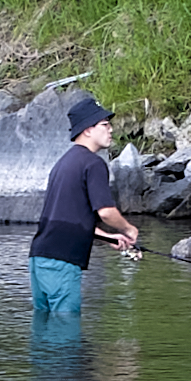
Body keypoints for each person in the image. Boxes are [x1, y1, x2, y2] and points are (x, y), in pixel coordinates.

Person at [26, 94, 140, 327]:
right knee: (66, 332)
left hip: (40, 258)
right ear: (87, 130)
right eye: (105, 125)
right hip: (63, 263)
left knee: (44, 332)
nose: (111, 131)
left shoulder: (64, 163)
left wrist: (109, 238)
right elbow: (106, 212)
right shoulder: (93, 163)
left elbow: (64, 220)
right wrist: (129, 229)